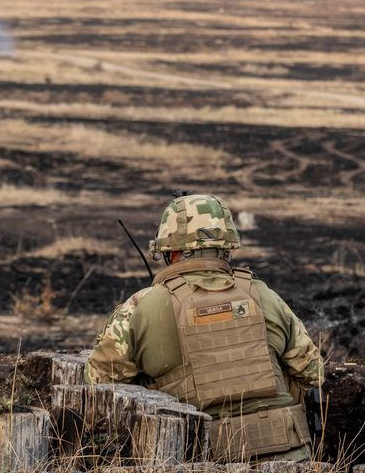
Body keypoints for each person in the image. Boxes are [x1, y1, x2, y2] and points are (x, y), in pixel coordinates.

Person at [85, 193, 323, 462]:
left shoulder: (139, 307)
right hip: (286, 452)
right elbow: (314, 374)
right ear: (226, 248)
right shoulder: (264, 295)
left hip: (191, 456)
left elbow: (99, 385)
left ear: (170, 251)